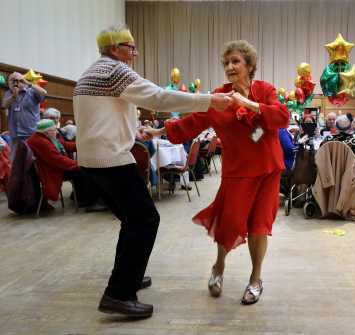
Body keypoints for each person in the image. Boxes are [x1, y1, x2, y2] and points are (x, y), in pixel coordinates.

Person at [73, 25, 232, 318]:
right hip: (111, 160)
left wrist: (135, 132)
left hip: (91, 161)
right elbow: (159, 98)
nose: (135, 52)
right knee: (145, 219)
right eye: (130, 46)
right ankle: (119, 294)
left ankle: (128, 277)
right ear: (113, 48)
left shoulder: (90, 73)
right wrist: (210, 99)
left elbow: (104, 117)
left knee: (132, 219)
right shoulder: (115, 71)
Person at [146, 40, 289, 305]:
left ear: (249, 66)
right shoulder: (218, 97)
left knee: (260, 225)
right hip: (237, 171)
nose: (230, 67)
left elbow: (282, 117)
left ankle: (256, 278)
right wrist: (160, 130)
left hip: (268, 168)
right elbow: (191, 122)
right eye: (226, 63)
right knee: (230, 223)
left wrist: (248, 103)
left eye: (236, 61)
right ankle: (219, 266)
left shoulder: (264, 90)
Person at [27, 119, 97, 207]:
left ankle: (79, 196)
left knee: (83, 170)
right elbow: (57, 160)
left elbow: (65, 144)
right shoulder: (41, 142)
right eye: (54, 130)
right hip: (52, 171)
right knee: (84, 171)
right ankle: (83, 199)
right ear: (46, 132)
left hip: (55, 167)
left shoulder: (46, 137)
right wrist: (78, 164)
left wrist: (84, 145)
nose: (56, 132)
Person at [1, 72, 47, 161]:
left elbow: (44, 93)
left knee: (33, 161)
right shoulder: (8, 93)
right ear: (8, 83)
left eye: (19, 80)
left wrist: (28, 83)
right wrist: (14, 96)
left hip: (31, 133)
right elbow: (4, 105)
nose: (16, 83)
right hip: (15, 134)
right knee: (15, 162)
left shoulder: (32, 91)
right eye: (12, 81)